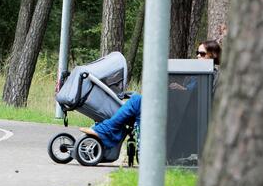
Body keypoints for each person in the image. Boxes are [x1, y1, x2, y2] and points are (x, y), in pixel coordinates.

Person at [79, 40, 221, 149]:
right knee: (137, 101)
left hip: (185, 116)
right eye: (197, 52)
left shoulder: (211, 76)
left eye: (202, 54)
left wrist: (182, 90)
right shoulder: (196, 73)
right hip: (176, 108)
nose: (197, 56)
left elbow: (200, 97)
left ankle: (106, 131)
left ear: (212, 55)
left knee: (137, 101)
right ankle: (110, 135)